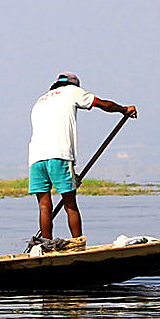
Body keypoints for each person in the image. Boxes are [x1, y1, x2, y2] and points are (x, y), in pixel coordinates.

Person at [27, 72, 136, 244]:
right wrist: (124, 109)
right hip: (59, 155)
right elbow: (104, 105)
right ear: (73, 84)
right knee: (70, 203)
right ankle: (78, 244)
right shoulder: (71, 91)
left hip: (35, 158)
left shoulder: (40, 100)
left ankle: (45, 246)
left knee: (43, 205)